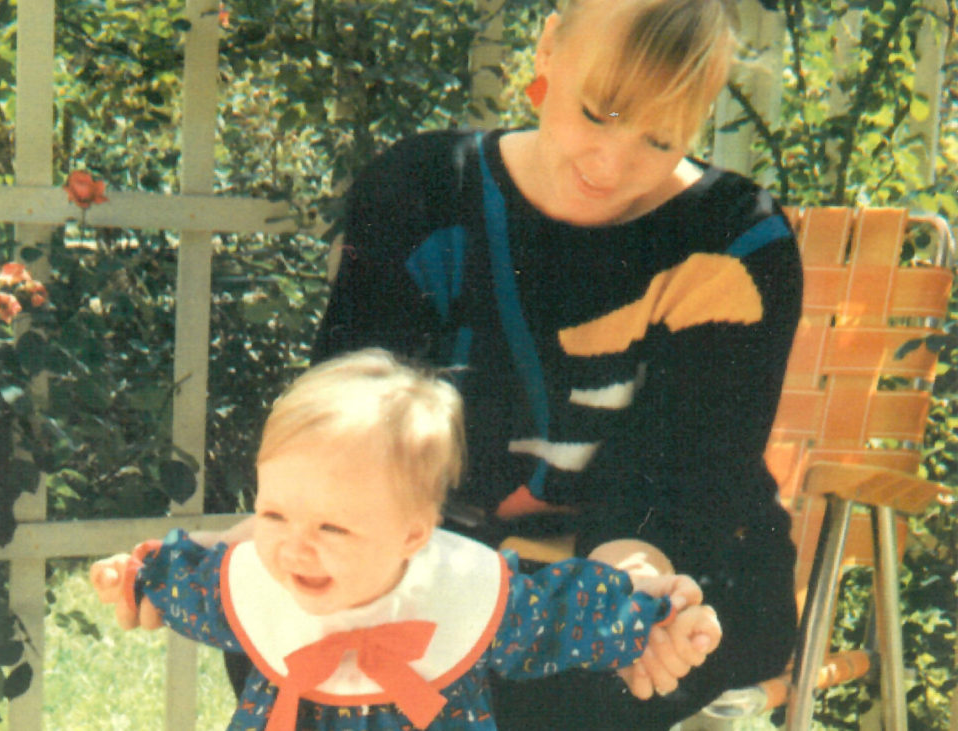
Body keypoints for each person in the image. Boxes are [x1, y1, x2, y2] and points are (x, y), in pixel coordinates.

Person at [304, 0, 803, 727]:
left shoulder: (736, 242)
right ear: (549, 50)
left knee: (564, 683)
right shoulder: (419, 192)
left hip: (674, 554)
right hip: (436, 554)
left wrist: (627, 585)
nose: (611, 162)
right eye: (598, 112)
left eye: (659, 138)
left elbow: (692, 477)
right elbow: (344, 426)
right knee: (301, 657)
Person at [91, 349, 722, 730]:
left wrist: (653, 612)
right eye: (275, 514)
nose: (294, 546)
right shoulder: (261, 572)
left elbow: (561, 611)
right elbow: (198, 583)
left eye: (332, 527)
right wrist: (139, 575)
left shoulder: (462, 589)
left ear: (413, 533)